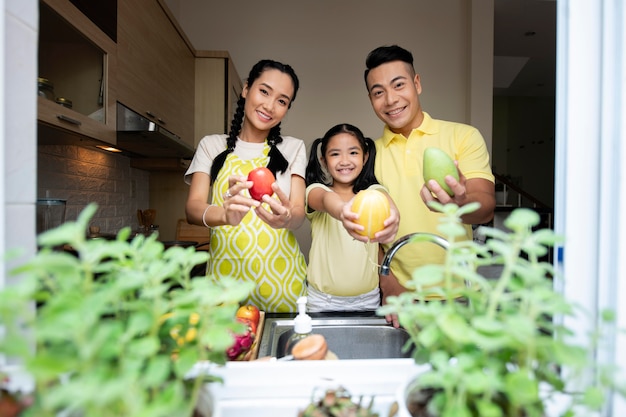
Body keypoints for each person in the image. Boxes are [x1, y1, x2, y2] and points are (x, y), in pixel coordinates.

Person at [360, 45, 496, 326]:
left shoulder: (463, 136)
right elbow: (367, 230)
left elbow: (486, 207)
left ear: (417, 84)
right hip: (401, 301)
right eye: (378, 92)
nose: (391, 100)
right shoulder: (367, 153)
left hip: (461, 297)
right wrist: (388, 283)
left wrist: (460, 205)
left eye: (399, 85)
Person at [184, 59, 307, 313]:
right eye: (264, 91)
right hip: (224, 287)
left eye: (282, 101)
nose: (270, 106)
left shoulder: (293, 148)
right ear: (246, 88)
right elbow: (193, 209)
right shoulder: (211, 146)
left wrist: (286, 219)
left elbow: (298, 213)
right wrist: (224, 215)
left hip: (281, 286)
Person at [304, 123, 399, 312]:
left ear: (365, 158)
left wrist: (394, 214)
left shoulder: (372, 193)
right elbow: (326, 199)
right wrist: (343, 211)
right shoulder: (316, 190)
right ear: (323, 161)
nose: (344, 160)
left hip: (368, 300)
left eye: (353, 153)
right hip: (322, 301)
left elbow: (385, 200)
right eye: (335, 154)